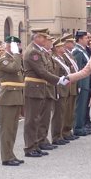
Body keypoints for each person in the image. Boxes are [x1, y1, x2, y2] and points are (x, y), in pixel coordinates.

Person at [22, 29, 63, 158]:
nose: (46, 40)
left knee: (36, 119)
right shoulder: (33, 52)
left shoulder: (38, 50)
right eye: (44, 37)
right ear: (38, 37)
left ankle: (35, 145)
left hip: (39, 87)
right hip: (34, 88)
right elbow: (41, 71)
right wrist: (58, 80)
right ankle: (29, 147)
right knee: (31, 120)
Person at [0, 37, 24, 166]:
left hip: (15, 96)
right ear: (8, 46)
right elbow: (15, 68)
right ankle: (6, 157)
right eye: (15, 45)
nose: (18, 47)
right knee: (7, 129)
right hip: (7, 97)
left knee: (13, 129)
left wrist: (17, 54)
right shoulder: (4, 60)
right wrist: (17, 54)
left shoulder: (13, 58)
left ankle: (11, 154)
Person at [71, 30, 91, 137]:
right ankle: (78, 127)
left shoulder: (83, 50)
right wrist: (78, 84)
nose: (88, 40)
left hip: (86, 82)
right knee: (79, 106)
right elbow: (77, 69)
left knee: (83, 106)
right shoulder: (77, 51)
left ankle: (81, 125)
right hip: (81, 83)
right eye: (86, 38)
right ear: (80, 39)